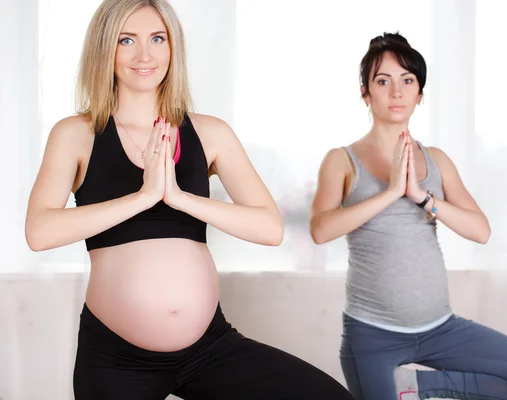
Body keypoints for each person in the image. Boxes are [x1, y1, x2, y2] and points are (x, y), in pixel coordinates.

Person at [25, 1, 354, 399]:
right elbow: (39, 232)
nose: (144, 55)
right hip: (115, 359)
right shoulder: (75, 133)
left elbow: (269, 228)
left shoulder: (210, 132)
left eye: (157, 39)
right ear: (104, 48)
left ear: (172, 47)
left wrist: (179, 198)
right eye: (126, 40)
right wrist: (144, 196)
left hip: (209, 349)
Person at [308, 32, 507, 400]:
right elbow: (320, 230)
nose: (396, 92)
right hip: (372, 336)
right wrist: (392, 192)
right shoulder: (342, 160)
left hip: (441, 329)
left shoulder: (437, 160)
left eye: (407, 81)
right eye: (383, 81)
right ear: (365, 92)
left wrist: (421, 197)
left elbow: (480, 230)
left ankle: (418, 388)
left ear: (419, 94)